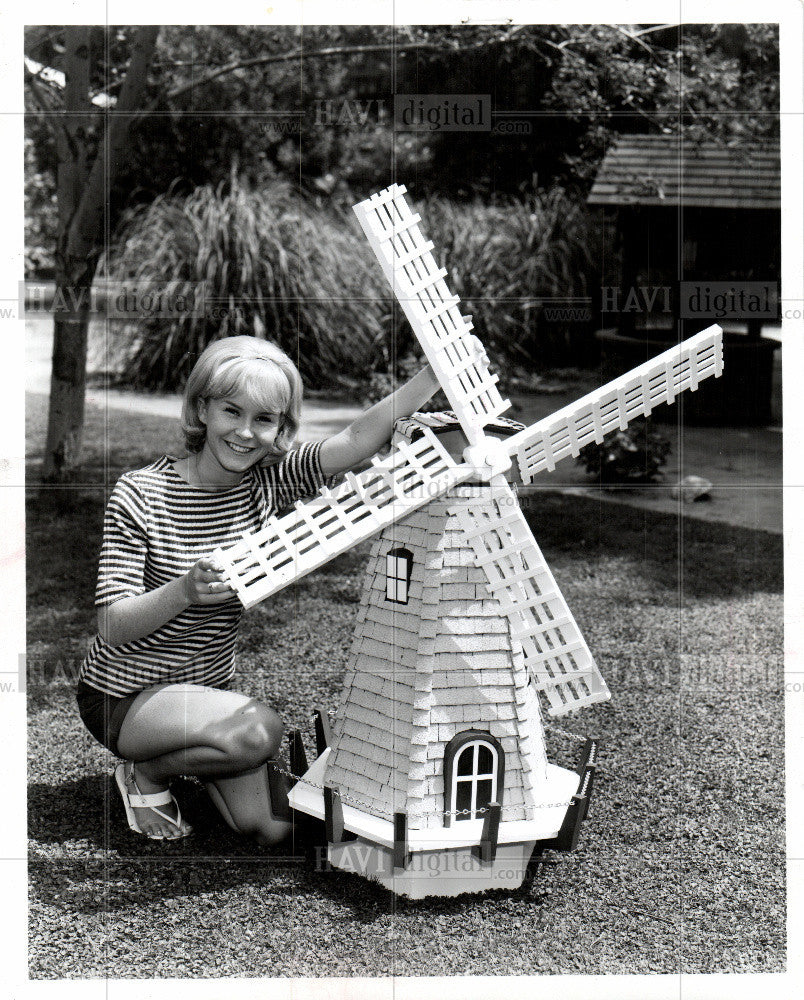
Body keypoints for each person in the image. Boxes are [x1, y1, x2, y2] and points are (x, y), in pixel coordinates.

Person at [75, 335, 440, 843]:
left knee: (268, 827)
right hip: (124, 696)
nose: (245, 433)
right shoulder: (141, 494)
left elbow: (356, 440)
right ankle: (148, 774)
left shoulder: (266, 482)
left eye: (264, 419)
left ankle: (204, 751)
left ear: (280, 428)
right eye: (231, 411)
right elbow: (111, 625)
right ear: (202, 408)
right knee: (259, 731)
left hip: (203, 696)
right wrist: (183, 590)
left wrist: (434, 375)